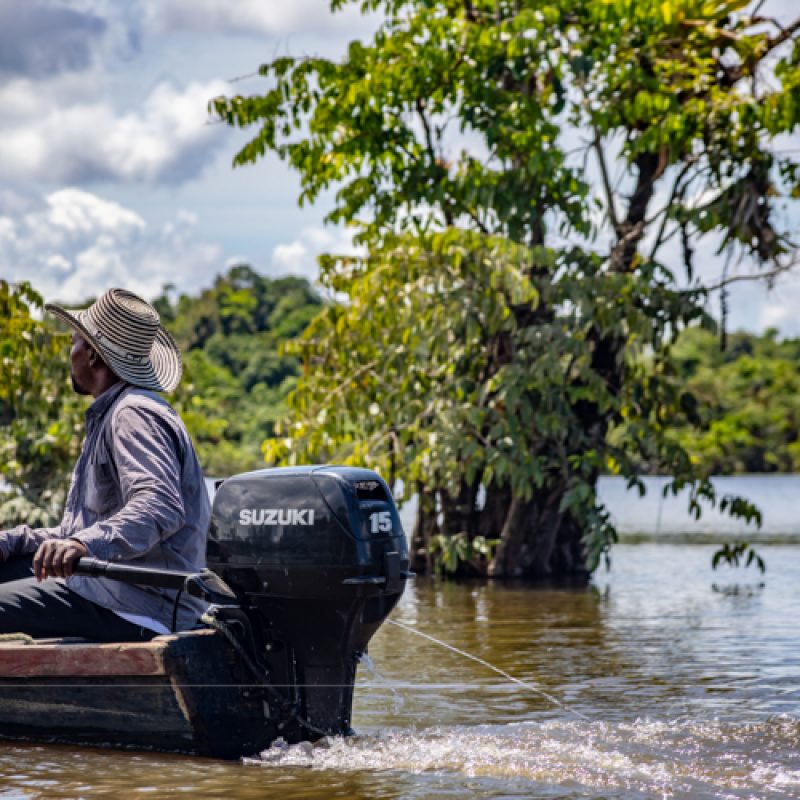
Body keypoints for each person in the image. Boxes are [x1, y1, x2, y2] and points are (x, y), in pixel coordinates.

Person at [0, 288, 211, 641]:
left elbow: (158, 506)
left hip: (135, 605)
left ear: (94, 356)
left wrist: (83, 545)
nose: (71, 355)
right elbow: (77, 533)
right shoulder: (113, 413)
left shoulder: (134, 413)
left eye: (74, 343)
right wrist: (13, 540)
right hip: (104, 588)